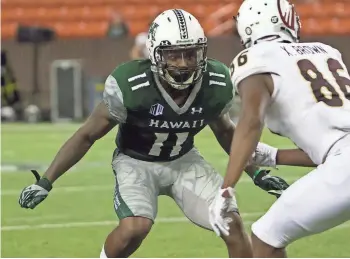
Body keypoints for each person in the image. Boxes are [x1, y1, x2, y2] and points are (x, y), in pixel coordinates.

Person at [19, 9, 292, 258]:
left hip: (185, 162)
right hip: (136, 162)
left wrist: (257, 172)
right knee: (134, 228)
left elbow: (225, 132)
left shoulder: (216, 81)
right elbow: (87, 135)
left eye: (190, 53)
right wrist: (46, 181)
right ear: (155, 53)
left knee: (231, 224)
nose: (183, 63)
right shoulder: (131, 85)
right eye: (173, 54)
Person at [208, 0, 350, 257]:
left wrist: (227, 188)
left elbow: (251, 121)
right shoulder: (327, 51)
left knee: (265, 237)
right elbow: (332, 148)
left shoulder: (255, 58)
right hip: (342, 160)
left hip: (345, 165)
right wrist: (273, 155)